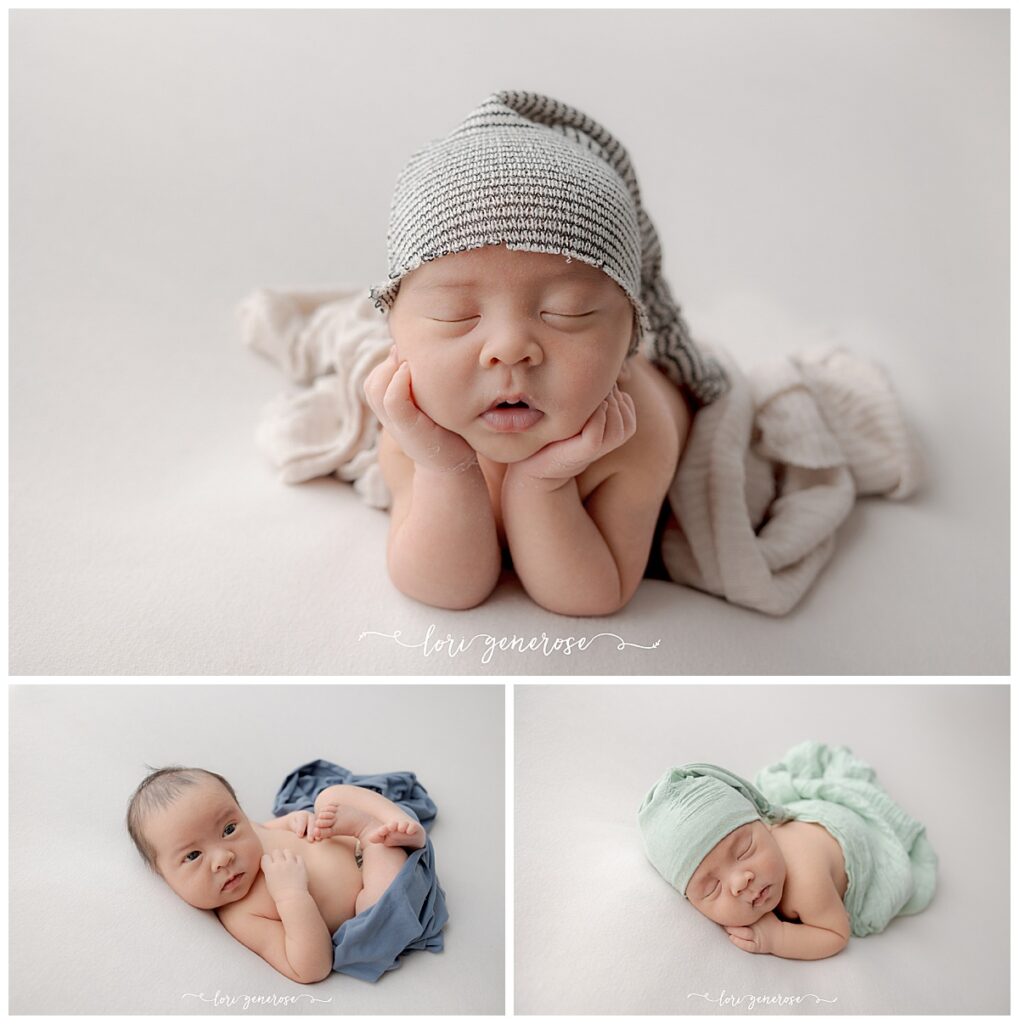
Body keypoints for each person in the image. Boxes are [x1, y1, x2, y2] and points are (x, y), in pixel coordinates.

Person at [363, 91, 728, 616]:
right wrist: (445, 468)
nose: (510, 348)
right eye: (455, 314)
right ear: (394, 335)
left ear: (630, 336)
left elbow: (594, 595)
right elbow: (445, 589)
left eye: (568, 312)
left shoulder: (632, 434)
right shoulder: (415, 426)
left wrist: (542, 484)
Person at [127, 765, 444, 983]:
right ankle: (376, 833)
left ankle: (399, 824)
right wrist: (292, 896)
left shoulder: (251, 832)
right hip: (378, 896)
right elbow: (310, 968)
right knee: (373, 905)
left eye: (229, 828)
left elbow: (271, 827)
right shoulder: (241, 915)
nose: (223, 856)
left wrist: (297, 821)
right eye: (193, 855)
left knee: (329, 796)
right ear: (162, 875)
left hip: (356, 842)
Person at [638, 743, 938, 959]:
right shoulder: (755, 860)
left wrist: (777, 938)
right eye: (712, 888)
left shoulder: (806, 885)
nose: (741, 881)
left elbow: (836, 935)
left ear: (764, 824)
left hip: (849, 830)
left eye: (745, 850)